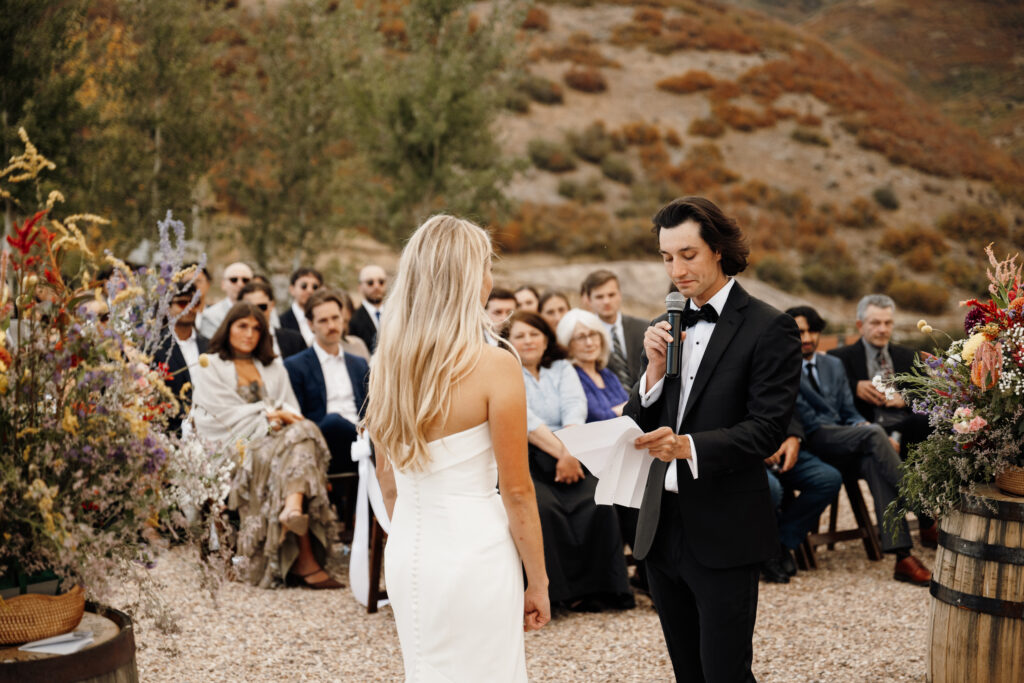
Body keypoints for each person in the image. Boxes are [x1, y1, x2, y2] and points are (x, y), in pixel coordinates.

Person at [623, 196, 801, 681]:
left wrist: (688, 447)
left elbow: (766, 429)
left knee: (725, 673)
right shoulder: (666, 324)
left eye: (687, 254)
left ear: (718, 249)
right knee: (687, 672)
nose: (675, 269)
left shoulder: (771, 328)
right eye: (665, 257)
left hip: (725, 527)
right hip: (662, 527)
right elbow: (642, 421)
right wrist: (653, 374)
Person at [368, 215, 549, 681]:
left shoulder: (386, 362)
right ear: (470, 277)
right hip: (477, 552)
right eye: (486, 265)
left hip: (410, 551)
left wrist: (408, 530)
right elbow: (517, 491)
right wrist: (539, 580)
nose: (491, 277)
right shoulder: (496, 365)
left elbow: (388, 482)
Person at [191, 302, 342, 589]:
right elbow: (215, 416)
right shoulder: (211, 365)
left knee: (303, 432)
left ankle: (292, 511)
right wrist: (270, 416)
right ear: (228, 328)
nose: (250, 334)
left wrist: (278, 420)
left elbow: (293, 412)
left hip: (281, 442)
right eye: (242, 326)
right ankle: (302, 547)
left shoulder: (274, 367)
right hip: (237, 446)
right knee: (304, 436)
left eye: (257, 328)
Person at [788, 305, 932, 585]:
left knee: (874, 460)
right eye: (799, 332)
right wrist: (867, 431)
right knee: (876, 434)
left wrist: (858, 424)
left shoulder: (832, 364)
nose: (806, 337)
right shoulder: (783, 368)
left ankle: (902, 556)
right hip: (812, 439)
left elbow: (847, 410)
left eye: (811, 330)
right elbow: (802, 419)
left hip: (843, 438)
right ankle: (924, 512)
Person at [507, 310, 633, 613]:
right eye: (519, 336)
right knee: (545, 509)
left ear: (546, 338)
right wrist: (564, 453)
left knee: (598, 501)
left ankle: (602, 589)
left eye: (534, 334)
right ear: (508, 342)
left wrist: (570, 452)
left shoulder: (562, 368)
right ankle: (558, 594)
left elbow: (575, 407)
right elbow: (527, 421)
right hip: (528, 455)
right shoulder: (505, 372)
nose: (528, 341)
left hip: (570, 448)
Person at [827, 293, 936, 543]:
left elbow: (931, 395)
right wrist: (853, 386)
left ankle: (928, 526)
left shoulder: (908, 357)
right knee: (892, 449)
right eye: (875, 323)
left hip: (906, 433)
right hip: (866, 433)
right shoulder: (839, 359)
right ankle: (927, 521)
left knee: (925, 424)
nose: (882, 329)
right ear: (860, 325)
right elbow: (826, 397)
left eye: (887, 323)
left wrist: (905, 397)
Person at [284, 289, 369, 476]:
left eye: (335, 318)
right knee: (333, 421)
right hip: (324, 441)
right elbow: (298, 417)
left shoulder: (359, 364)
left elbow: (370, 408)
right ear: (310, 324)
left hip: (361, 440)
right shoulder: (295, 366)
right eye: (323, 321)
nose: (332, 325)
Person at [760, 413, 842, 584]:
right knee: (772, 490)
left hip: (781, 445)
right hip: (747, 453)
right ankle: (766, 550)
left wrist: (793, 437)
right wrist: (756, 446)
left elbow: (788, 406)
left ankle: (781, 543)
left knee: (828, 479)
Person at [152, 284, 209, 434]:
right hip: (170, 433)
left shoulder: (210, 346)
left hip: (210, 431)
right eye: (183, 303)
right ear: (167, 307)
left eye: (195, 303)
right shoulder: (154, 348)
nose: (190, 308)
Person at [580, 269, 648, 392]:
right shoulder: (585, 336)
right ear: (589, 300)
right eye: (599, 297)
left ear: (620, 295)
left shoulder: (643, 328)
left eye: (611, 295)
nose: (606, 301)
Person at [556, 308, 627, 422]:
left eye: (593, 334)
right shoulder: (570, 376)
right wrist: (624, 408)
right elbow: (597, 417)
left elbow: (632, 410)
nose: (589, 343)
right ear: (567, 345)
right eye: (580, 337)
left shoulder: (607, 374)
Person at [239, 280, 306, 359]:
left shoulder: (295, 340)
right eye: (250, 307)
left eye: (262, 307)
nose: (256, 312)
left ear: (271, 305)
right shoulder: (236, 342)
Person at [198, 261, 253, 338]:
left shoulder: (262, 310)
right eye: (233, 280)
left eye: (245, 280)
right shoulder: (211, 316)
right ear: (223, 284)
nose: (240, 284)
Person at [349, 265, 387, 353]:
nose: (376, 286)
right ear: (360, 287)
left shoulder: (396, 314)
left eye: (381, 282)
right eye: (370, 282)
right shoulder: (353, 320)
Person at [279, 267, 322, 345]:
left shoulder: (327, 319)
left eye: (315, 287)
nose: (309, 290)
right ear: (292, 289)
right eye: (304, 286)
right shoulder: (281, 322)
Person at [334, 290, 371, 360]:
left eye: (345, 321)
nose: (342, 327)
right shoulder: (314, 347)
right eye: (336, 319)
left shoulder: (358, 345)